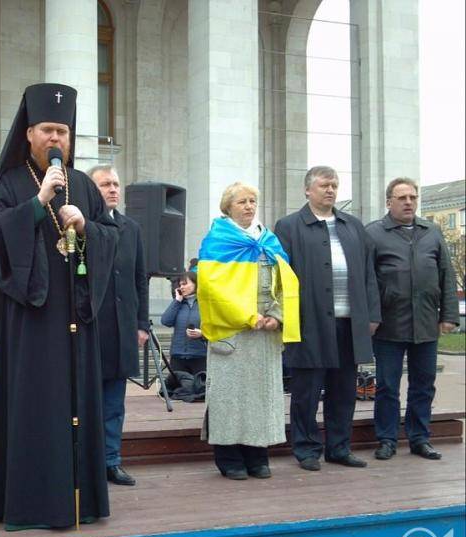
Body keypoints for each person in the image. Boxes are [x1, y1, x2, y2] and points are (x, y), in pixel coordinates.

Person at [0, 83, 118, 530]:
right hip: (30, 321)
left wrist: (88, 228)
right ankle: (29, 505)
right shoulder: (9, 183)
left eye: (63, 131)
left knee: (77, 401)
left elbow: (112, 239)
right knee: (34, 407)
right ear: (29, 134)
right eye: (47, 130)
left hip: (76, 317)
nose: (55, 138)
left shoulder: (83, 185)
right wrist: (37, 205)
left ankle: (81, 502)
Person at [274, 165, 381, 472]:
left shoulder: (353, 226)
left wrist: (372, 314)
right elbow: (280, 276)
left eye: (334, 185)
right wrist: (283, 317)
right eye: (324, 185)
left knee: (344, 391)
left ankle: (339, 447)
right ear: (308, 190)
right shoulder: (289, 226)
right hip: (309, 324)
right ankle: (306, 449)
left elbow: (369, 274)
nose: (331, 190)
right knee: (306, 393)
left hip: (349, 323)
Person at [197, 183, 299, 480]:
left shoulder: (269, 240)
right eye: (242, 201)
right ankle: (229, 458)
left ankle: (258, 455)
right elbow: (212, 289)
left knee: (260, 398)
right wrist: (247, 316)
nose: (249, 206)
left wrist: (277, 315)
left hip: (264, 332)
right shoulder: (217, 240)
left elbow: (287, 281)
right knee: (229, 398)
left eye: (253, 201)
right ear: (227, 207)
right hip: (233, 332)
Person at [366, 177, 459, 461]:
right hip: (388, 325)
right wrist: (371, 316)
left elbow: (446, 274)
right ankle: (387, 439)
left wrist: (449, 315)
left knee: (423, 385)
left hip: (426, 323)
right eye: (402, 198)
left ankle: (420, 438)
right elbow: (367, 281)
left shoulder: (432, 232)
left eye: (413, 197)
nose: (408, 202)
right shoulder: (374, 233)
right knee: (387, 386)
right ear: (389, 202)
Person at [87, 164, 149, 487]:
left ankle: (111, 461)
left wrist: (141, 325)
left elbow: (140, 279)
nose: (113, 189)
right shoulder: (81, 224)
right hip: (91, 330)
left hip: (123, 329)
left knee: (114, 403)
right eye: (105, 184)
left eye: (115, 184)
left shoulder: (131, 228)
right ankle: (85, 462)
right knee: (86, 402)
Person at [161, 271, 207, 375]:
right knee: (179, 385)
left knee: (199, 384)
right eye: (180, 285)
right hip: (178, 356)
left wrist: (202, 334)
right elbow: (166, 321)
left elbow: (214, 328)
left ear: (196, 284)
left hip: (200, 356)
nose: (182, 287)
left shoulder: (204, 304)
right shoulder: (178, 304)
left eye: (185, 284)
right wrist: (177, 300)